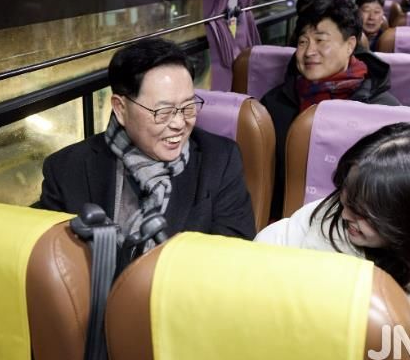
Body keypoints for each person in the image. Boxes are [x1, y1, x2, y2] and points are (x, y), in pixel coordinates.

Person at [255, 122, 410, 360]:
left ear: (408, 221)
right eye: (345, 199)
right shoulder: (318, 221)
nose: (345, 215)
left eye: (362, 212)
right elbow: (254, 280)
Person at [39, 38, 256, 243]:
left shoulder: (220, 160)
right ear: (120, 108)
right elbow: (54, 256)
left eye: (188, 107)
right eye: (163, 112)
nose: (179, 123)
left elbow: (232, 255)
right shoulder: (66, 170)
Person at [261, 0, 400, 219]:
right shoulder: (274, 104)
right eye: (303, 42)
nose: (309, 51)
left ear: (350, 45)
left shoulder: (385, 113)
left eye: (320, 40)